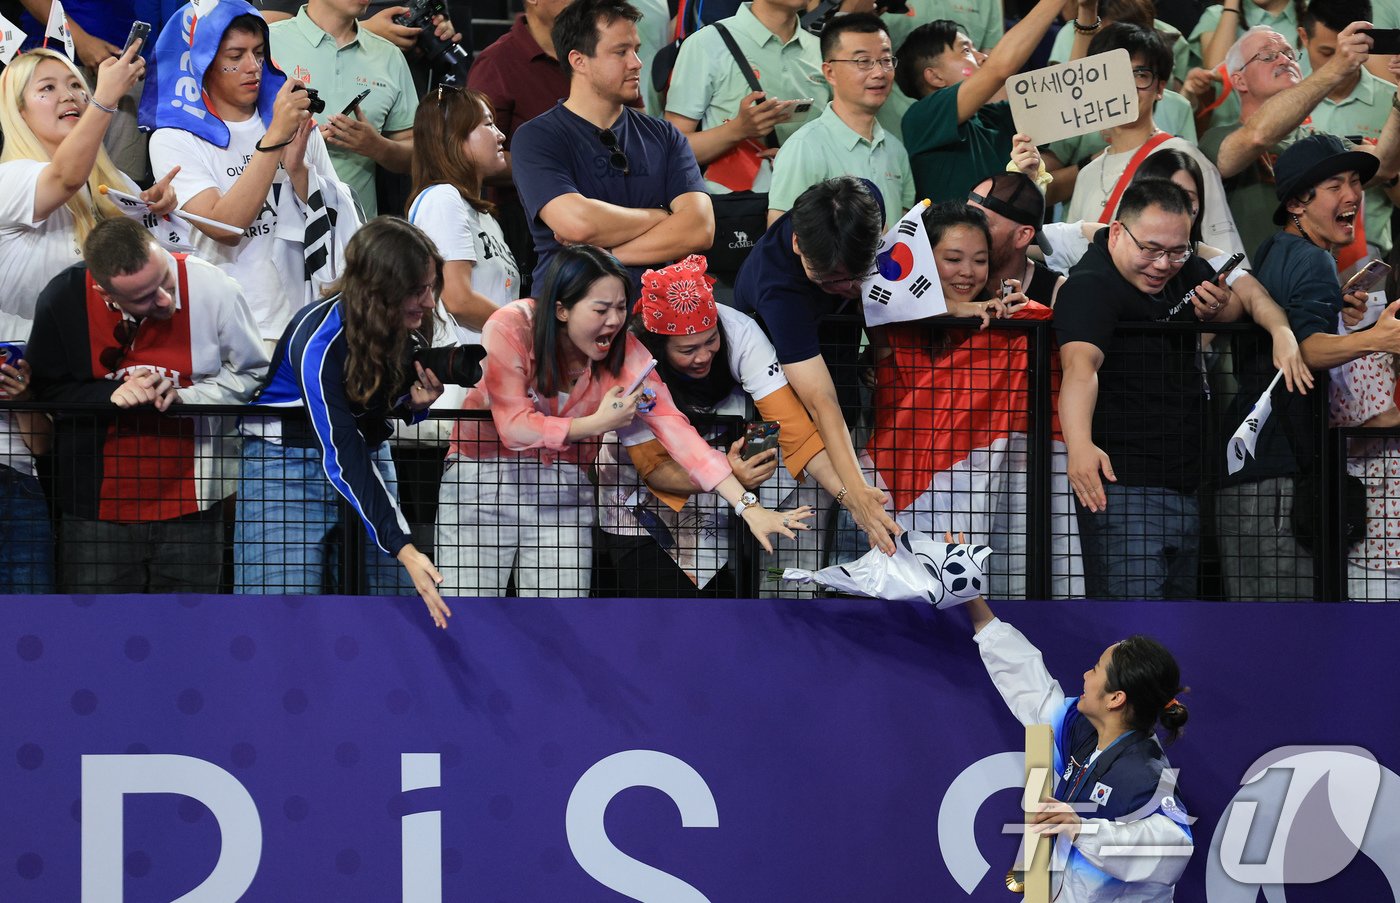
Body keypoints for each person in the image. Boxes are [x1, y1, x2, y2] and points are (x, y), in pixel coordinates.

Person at [435, 244, 812, 597]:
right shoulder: (512, 326)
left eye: (620, 307)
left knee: (559, 621)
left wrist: (748, 506)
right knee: (467, 611)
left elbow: (681, 437)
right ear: (562, 309)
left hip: (564, 485)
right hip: (482, 474)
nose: (615, 321)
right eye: (601, 310)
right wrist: (595, 424)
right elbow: (514, 427)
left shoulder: (628, 357)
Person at [0, 44, 178, 592]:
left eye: (75, 84)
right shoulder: (12, 178)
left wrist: (159, 214)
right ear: (18, 112)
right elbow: (63, 179)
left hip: (64, 421)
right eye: (47, 88)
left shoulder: (113, 186)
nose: (69, 95)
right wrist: (106, 97)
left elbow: (163, 279)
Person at [240, 216, 474, 625]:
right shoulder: (319, 341)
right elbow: (341, 450)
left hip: (362, 452)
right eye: (417, 291)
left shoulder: (404, 328)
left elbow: (366, 411)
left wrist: (410, 403)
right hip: (284, 466)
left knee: (390, 607)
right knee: (281, 616)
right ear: (381, 290)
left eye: (430, 286)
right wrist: (403, 545)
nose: (431, 301)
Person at [26, 217, 268, 592]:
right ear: (106, 294)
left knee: (190, 631)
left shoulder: (214, 286)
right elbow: (44, 390)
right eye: (143, 297)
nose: (165, 300)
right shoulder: (64, 297)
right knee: (99, 631)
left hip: (194, 504)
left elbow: (253, 374)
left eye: (165, 280)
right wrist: (108, 396)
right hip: (95, 509)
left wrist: (187, 398)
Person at [866, 203, 1085, 599]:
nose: (968, 271)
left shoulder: (1004, 324)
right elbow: (881, 294)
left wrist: (1012, 316)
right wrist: (960, 309)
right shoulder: (891, 323)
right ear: (922, 260)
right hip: (899, 488)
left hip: (989, 497)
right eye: (952, 259)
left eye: (980, 260)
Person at [1217, 134, 1400, 600]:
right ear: (1299, 201)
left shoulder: (1275, 249)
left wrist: (1336, 312)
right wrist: (1375, 339)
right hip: (1279, 475)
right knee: (1284, 637)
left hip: (1250, 469)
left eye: (1356, 182)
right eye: (1335, 185)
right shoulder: (1313, 258)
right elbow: (1305, 349)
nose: (1353, 195)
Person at [596, 254, 844, 596]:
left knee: (724, 606)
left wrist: (846, 492)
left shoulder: (740, 332)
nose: (703, 356)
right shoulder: (632, 362)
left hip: (716, 495)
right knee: (666, 608)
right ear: (660, 346)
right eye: (687, 350)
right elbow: (654, 467)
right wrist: (732, 479)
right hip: (639, 505)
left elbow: (782, 423)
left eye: (710, 342)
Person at [1056, 179, 1236, 599]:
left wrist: (1222, 305)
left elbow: (1243, 296)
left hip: (1187, 486)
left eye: (1177, 251)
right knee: (1134, 635)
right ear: (1117, 232)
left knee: (1174, 634)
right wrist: (1079, 445)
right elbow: (1080, 366)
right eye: (1151, 249)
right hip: (1124, 489)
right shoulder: (1091, 285)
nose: (1163, 264)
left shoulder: (1184, 267)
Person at [964, 585, 1193, 900]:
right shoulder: (1083, 731)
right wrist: (974, 604)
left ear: (1115, 698)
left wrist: (1082, 830)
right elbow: (1031, 685)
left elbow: (1174, 848)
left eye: (1096, 668)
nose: (1086, 674)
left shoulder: (1148, 775)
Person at [146, 0, 351, 343]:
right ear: (204, 60)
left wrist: (299, 171)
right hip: (223, 327)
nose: (252, 66)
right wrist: (273, 141)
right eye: (234, 56)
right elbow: (225, 227)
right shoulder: (174, 137)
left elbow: (336, 220)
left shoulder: (293, 118)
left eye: (258, 52)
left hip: (301, 320)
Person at [732, 175, 902, 555]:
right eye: (829, 280)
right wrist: (854, 491)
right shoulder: (778, 289)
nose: (846, 288)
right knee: (788, 530)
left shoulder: (861, 202)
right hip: (767, 413)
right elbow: (819, 401)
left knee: (837, 525)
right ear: (797, 244)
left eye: (854, 277)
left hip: (839, 381)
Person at [510, 0, 715, 286]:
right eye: (621, 52)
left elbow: (700, 229)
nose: (636, 63)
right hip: (569, 316)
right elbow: (577, 224)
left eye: (636, 50)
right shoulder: (537, 137)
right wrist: (662, 215)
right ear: (578, 60)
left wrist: (608, 255)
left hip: (656, 318)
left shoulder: (665, 136)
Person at [1198, 23, 1400, 261]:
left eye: (1290, 54)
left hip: (1314, 282)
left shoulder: (1319, 142)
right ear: (1240, 81)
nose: (1284, 60)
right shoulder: (1218, 137)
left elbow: (1383, 165)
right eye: (1268, 55)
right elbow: (1257, 136)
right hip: (1249, 289)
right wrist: (1337, 67)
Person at [1064, 23, 1246, 260]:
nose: (1125, 88)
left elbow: (1226, 258)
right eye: (1113, 75)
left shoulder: (1185, 158)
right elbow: (1070, 261)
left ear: (1160, 88)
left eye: (1140, 75)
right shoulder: (1087, 174)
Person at [896, 0, 1071, 204]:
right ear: (935, 77)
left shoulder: (994, 117)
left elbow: (1067, 97)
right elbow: (999, 69)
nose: (983, 57)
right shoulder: (920, 118)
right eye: (966, 51)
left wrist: (1086, 18)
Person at [267, 0, 421, 218]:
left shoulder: (389, 56)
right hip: (274, 230)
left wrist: (377, 147)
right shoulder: (268, 42)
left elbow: (416, 153)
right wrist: (294, 144)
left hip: (356, 237)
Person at [664, 0, 826, 205]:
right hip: (740, 209)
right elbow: (672, 148)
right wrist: (738, 129)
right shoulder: (707, 43)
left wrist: (795, 157)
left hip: (815, 206)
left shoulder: (823, 49)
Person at [468, 0, 580, 284]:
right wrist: (561, 163)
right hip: (527, 234)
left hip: (599, 220)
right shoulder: (497, 62)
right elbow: (476, 156)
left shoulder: (597, 51)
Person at [766, 13, 912, 228]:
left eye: (886, 60)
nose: (879, 72)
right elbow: (781, 239)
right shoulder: (804, 147)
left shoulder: (895, 149)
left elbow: (904, 234)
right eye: (863, 61)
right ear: (830, 72)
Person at [407, 86, 519, 346]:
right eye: (489, 124)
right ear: (454, 137)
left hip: (495, 367)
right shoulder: (442, 199)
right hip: (462, 378)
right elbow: (456, 298)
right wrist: (525, 331)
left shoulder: (483, 215)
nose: (501, 135)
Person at [1298, 0, 1400, 261]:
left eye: (1349, 53)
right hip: (1301, 251)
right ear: (1302, 37)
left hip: (1373, 256)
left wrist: (1383, 169)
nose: (1339, 64)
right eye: (1327, 52)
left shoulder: (1393, 100)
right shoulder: (1287, 101)